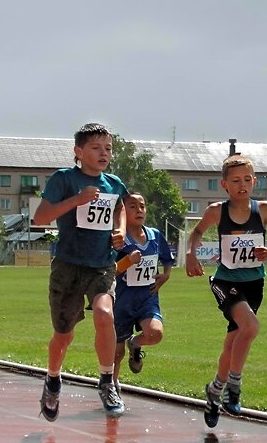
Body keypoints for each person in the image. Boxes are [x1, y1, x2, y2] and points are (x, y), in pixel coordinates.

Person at [185, 154, 267, 428]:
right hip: (225, 282)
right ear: (224, 185)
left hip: (254, 284)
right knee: (251, 326)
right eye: (235, 181)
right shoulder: (216, 211)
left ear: (255, 181)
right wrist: (190, 254)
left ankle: (214, 390)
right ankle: (234, 384)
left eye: (247, 179)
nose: (242, 185)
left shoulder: (264, 209)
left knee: (232, 343)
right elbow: (197, 232)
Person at [32, 122, 129, 420]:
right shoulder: (64, 179)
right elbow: (40, 217)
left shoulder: (113, 183)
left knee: (105, 314)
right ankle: (52, 379)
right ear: (78, 152)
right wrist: (77, 200)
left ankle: (106, 381)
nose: (104, 153)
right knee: (64, 335)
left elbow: (120, 207)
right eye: (96, 148)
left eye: (108, 148)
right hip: (68, 266)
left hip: (101, 264)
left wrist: (120, 230)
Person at [112, 191, 174, 379]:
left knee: (155, 334)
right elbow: (108, 271)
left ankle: (135, 343)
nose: (139, 210)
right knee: (116, 352)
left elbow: (167, 258)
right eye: (133, 207)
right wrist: (127, 262)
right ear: (122, 212)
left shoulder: (154, 235)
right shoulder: (118, 241)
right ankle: (112, 384)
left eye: (142, 206)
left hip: (147, 298)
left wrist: (166, 275)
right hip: (121, 301)